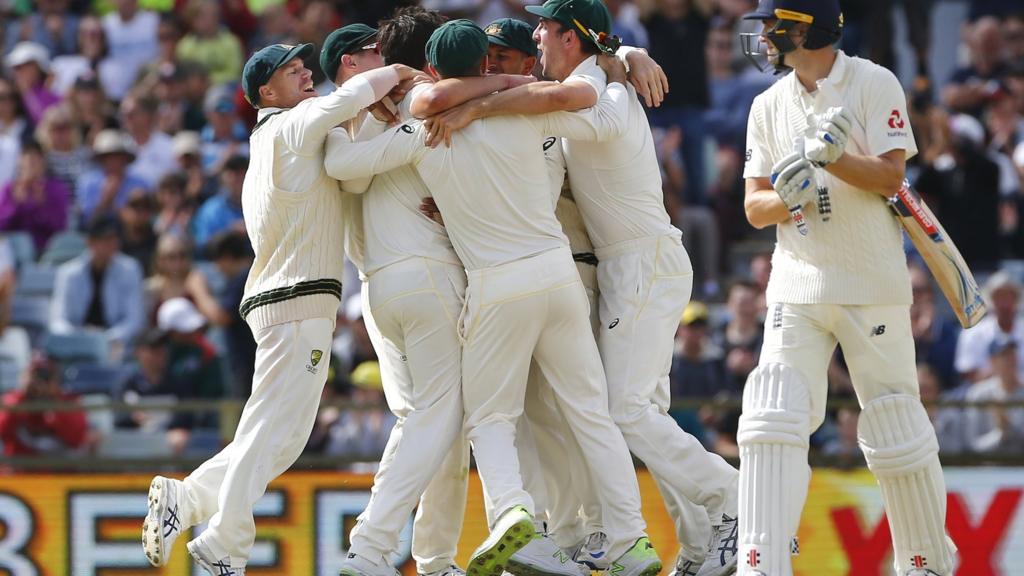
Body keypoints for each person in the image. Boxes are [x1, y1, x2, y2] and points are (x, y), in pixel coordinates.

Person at [325, 19, 661, 576]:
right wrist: (616, 57)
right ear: (487, 63)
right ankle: (632, 539)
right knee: (591, 415)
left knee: (489, 418)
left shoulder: (423, 125)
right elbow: (587, 92)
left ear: (432, 69)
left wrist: (369, 109)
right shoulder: (529, 109)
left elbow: (350, 165)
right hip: (556, 275)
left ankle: (511, 514)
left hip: (495, 285)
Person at [424, 2, 740, 574]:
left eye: (546, 27)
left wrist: (478, 103)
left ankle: (734, 502)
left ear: (571, 38)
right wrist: (622, 52)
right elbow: (551, 96)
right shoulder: (599, 79)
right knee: (637, 414)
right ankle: (699, 546)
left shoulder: (604, 96)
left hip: (640, 263)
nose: (538, 34)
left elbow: (552, 99)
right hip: (624, 267)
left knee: (625, 411)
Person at [141, 42, 418, 575]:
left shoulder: (286, 134)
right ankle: (225, 542)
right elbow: (353, 95)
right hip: (295, 299)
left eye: (304, 67)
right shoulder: (289, 127)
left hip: (291, 300)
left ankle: (189, 501)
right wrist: (401, 72)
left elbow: (349, 155)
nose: (306, 74)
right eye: (293, 71)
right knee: (272, 429)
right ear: (266, 92)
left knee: (281, 437)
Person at [738, 1, 954, 574]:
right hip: (795, 284)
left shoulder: (873, 81)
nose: (761, 37)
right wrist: (791, 193)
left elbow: (890, 175)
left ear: (803, 26)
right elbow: (754, 208)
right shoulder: (766, 104)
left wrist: (834, 162)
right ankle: (761, 561)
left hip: (869, 283)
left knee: (893, 423)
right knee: (771, 416)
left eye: (770, 25)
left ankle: (926, 561)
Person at [50, 215, 144, 355]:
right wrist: (80, 338)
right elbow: (58, 320)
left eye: (115, 238)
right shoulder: (68, 273)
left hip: (115, 344)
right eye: (105, 239)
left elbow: (133, 320)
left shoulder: (130, 269)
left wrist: (104, 338)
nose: (112, 244)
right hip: (75, 345)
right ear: (90, 242)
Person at [0, 354, 89, 457]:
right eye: (35, 376)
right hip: (20, 468)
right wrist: (25, 397)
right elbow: (3, 429)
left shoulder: (68, 402)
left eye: (47, 377)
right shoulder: (14, 400)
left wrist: (52, 404)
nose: (40, 383)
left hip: (57, 469)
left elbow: (76, 439)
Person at [0, 140, 70, 252]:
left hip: (46, 251)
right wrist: (15, 204)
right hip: (13, 252)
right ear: (19, 161)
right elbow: (2, 226)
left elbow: (60, 227)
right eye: (26, 158)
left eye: (35, 158)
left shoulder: (56, 188)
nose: (30, 163)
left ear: (43, 161)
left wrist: (42, 205)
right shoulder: (9, 189)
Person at [963, 335, 1024, 454]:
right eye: (1004, 355)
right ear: (993, 361)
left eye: (1012, 354)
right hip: (989, 469)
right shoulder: (978, 394)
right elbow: (972, 445)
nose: (1010, 360)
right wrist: (1000, 434)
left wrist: (1008, 427)